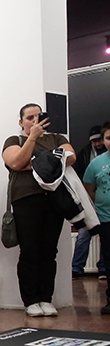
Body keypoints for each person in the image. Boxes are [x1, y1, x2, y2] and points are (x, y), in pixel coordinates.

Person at [2, 104, 76, 316]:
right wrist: (33, 139)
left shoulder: (56, 138)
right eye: (29, 117)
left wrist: (33, 162)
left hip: (54, 199)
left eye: (39, 115)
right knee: (30, 251)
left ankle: (46, 298)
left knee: (49, 252)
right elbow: (16, 162)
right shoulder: (14, 140)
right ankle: (31, 300)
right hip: (26, 199)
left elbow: (70, 157)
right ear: (21, 122)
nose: (35, 120)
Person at [72, 125, 107, 278]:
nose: (97, 144)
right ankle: (76, 267)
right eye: (94, 141)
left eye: (99, 140)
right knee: (83, 235)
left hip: (104, 203)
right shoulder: (85, 153)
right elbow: (79, 174)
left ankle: (103, 268)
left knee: (106, 239)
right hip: (90, 202)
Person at [83, 124, 110, 314]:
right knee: (109, 259)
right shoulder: (96, 164)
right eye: (108, 138)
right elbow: (90, 190)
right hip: (106, 218)